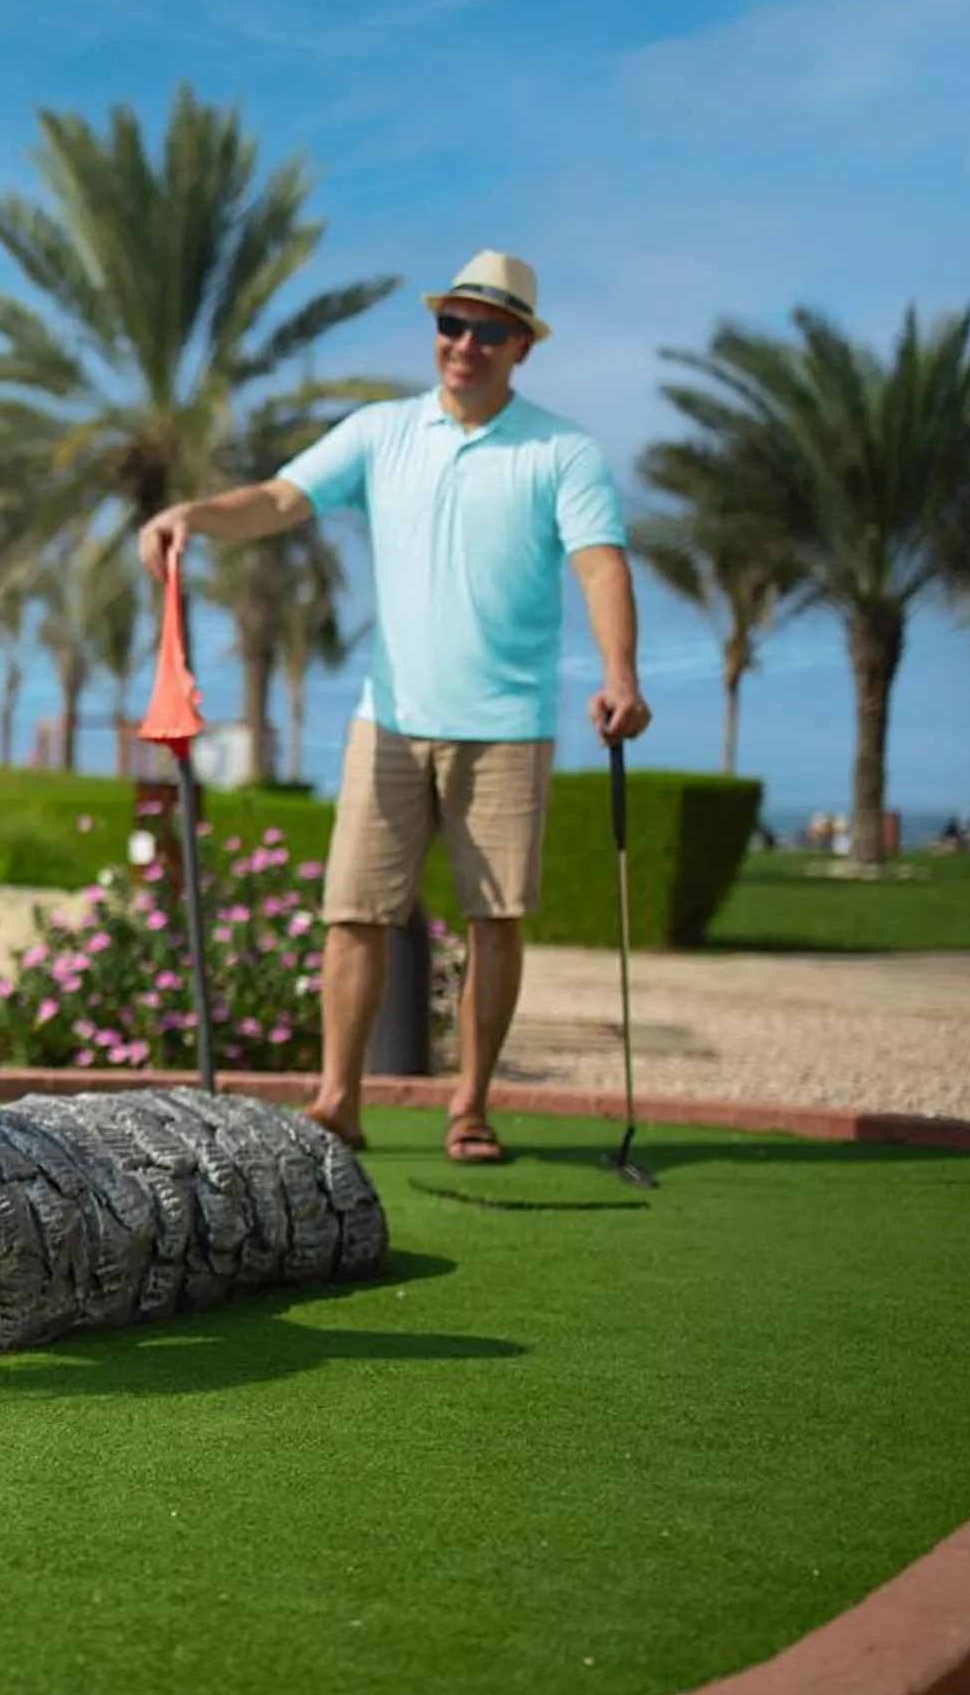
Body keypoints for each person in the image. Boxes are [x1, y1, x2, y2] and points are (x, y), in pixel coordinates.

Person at [137, 250, 651, 1166]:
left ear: (522, 346)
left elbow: (600, 561)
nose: (464, 344)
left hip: (509, 725)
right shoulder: (381, 432)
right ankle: (337, 1103)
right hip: (390, 717)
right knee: (353, 912)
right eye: (451, 325)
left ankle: (472, 1109)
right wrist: (194, 516)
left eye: (489, 330)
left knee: (496, 920)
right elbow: (280, 499)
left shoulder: (562, 451)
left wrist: (621, 673)